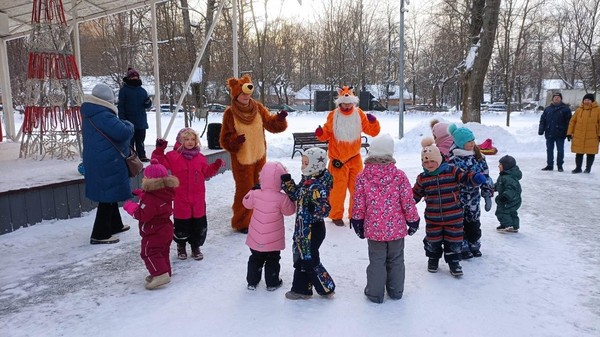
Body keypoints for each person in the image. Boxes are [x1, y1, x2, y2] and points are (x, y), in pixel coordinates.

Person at [350, 134, 420, 303]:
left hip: (374, 230)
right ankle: (396, 291)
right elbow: (407, 201)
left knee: (376, 260)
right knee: (396, 260)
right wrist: (413, 220)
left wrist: (357, 220)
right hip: (396, 229)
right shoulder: (399, 176)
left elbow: (358, 202)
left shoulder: (362, 177)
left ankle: (375, 292)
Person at [219, 75, 288, 233]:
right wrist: (235, 140)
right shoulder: (230, 113)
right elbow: (225, 139)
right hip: (242, 159)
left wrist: (280, 118)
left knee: (260, 189)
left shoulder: (258, 108)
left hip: (259, 156)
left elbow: (271, 124)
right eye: (243, 94)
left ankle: (257, 218)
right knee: (245, 190)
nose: (246, 97)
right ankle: (242, 222)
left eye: (248, 94)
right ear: (236, 95)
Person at [413, 137, 487, 277]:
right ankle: (433, 259)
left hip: (454, 217)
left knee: (453, 241)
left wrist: (475, 178)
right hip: (433, 218)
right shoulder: (423, 178)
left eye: (432, 160)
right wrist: (406, 203)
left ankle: (454, 262)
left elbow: (465, 177)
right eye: (426, 161)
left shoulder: (452, 171)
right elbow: (415, 194)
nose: (429, 164)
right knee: (433, 241)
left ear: (439, 159)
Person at [153, 127, 224, 260]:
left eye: (192, 139)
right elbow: (158, 163)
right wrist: (159, 150)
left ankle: (195, 246)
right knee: (182, 224)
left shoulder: (200, 158)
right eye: (186, 139)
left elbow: (206, 173)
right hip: (181, 197)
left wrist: (215, 166)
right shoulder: (173, 156)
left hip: (198, 198)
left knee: (198, 224)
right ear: (180, 140)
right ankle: (181, 246)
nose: (190, 142)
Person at [315, 86, 381, 227]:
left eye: (349, 103)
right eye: (344, 103)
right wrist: (320, 133)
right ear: (340, 103)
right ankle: (336, 215)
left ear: (353, 102)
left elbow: (372, 131)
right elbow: (326, 133)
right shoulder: (334, 115)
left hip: (355, 159)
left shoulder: (359, 114)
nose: (347, 106)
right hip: (338, 160)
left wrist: (373, 122)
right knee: (337, 190)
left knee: (357, 189)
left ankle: (355, 214)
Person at [81, 83, 134, 244]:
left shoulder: (92, 112)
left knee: (110, 192)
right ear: (108, 100)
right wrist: (129, 124)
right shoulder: (104, 115)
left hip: (100, 159)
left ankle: (114, 224)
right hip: (107, 161)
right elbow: (123, 132)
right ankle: (100, 234)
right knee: (107, 195)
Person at [280, 147, 336, 299]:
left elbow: (325, 209)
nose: (302, 166)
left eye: (305, 163)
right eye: (302, 163)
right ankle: (302, 289)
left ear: (315, 165)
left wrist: (315, 208)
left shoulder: (319, 185)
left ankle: (326, 287)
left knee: (309, 260)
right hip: (302, 227)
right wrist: (287, 183)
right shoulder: (307, 180)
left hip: (313, 228)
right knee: (301, 258)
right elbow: (297, 194)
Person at [123, 159, 180, 290]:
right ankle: (164, 271)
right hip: (166, 228)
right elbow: (155, 203)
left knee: (149, 252)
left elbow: (143, 214)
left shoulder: (150, 199)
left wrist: (130, 207)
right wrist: (142, 195)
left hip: (154, 230)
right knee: (162, 251)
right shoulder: (165, 192)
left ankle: (160, 274)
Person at [242, 161, 296, 291]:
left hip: (256, 237)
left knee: (255, 258)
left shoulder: (256, 193)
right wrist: (291, 197)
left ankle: (252, 282)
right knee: (273, 259)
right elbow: (290, 211)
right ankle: (272, 282)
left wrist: (252, 190)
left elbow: (246, 203)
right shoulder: (281, 198)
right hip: (273, 239)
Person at [448, 123, 494, 260]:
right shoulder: (453, 159)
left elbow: (486, 176)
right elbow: (450, 178)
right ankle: (462, 244)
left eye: (473, 140)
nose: (472, 143)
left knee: (474, 222)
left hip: (474, 198)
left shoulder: (479, 157)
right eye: (469, 141)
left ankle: (474, 242)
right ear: (460, 143)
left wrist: (487, 192)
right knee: (459, 222)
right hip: (458, 198)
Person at [118, 67, 152, 162]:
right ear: (128, 78)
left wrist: (148, 102)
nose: (135, 78)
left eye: (136, 77)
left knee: (140, 140)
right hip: (128, 121)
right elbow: (121, 106)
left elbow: (147, 105)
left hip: (141, 121)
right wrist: (122, 119)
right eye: (132, 77)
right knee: (130, 141)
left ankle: (142, 155)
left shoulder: (142, 91)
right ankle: (131, 157)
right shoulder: (124, 91)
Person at [566, 93, 600, 174]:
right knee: (579, 152)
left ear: (592, 101)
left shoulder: (598, 110)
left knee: (590, 153)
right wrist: (569, 132)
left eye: (588, 100)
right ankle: (578, 168)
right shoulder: (579, 110)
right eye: (585, 100)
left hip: (592, 136)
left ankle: (588, 169)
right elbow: (572, 122)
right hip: (579, 135)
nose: (586, 101)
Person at [538, 92, 572, 172]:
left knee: (560, 150)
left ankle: (560, 166)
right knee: (549, 150)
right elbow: (543, 120)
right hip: (549, 132)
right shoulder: (548, 109)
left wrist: (568, 133)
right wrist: (541, 129)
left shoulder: (565, 109)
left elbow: (569, 122)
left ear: (561, 98)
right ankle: (550, 165)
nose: (556, 98)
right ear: (552, 99)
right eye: (555, 97)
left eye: (558, 97)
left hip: (560, 133)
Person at [494, 155, 522, 233]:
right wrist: (492, 187)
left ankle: (507, 225)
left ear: (506, 166)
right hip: (514, 199)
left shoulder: (508, 177)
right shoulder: (504, 175)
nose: (498, 166)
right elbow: (499, 185)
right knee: (512, 212)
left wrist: (505, 197)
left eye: (500, 164)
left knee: (502, 211)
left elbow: (511, 188)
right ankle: (514, 226)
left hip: (510, 199)